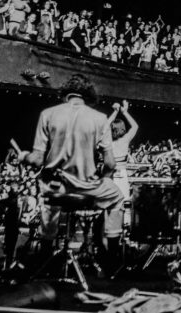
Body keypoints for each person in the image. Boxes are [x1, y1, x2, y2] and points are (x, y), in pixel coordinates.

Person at [15, 74, 124, 273]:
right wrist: (104, 179)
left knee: (50, 200)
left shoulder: (47, 114)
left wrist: (23, 156)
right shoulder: (100, 119)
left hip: (55, 186)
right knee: (117, 197)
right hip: (87, 187)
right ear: (88, 97)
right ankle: (112, 258)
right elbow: (110, 163)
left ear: (66, 95)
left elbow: (37, 160)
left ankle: (45, 255)